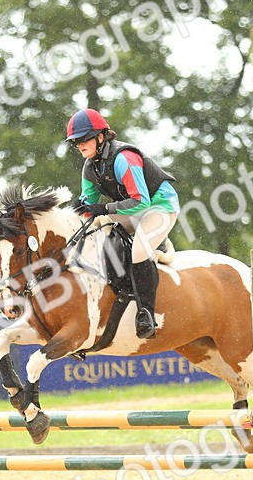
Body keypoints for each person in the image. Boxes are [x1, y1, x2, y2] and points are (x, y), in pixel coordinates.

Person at [65, 108, 179, 339]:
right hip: (134, 211)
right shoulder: (90, 167)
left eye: (84, 138)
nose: (79, 144)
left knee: (139, 251)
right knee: (97, 231)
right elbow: (89, 203)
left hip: (159, 207)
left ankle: (146, 315)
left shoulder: (124, 158)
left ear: (100, 136)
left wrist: (104, 209)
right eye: (76, 141)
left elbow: (140, 200)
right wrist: (80, 207)